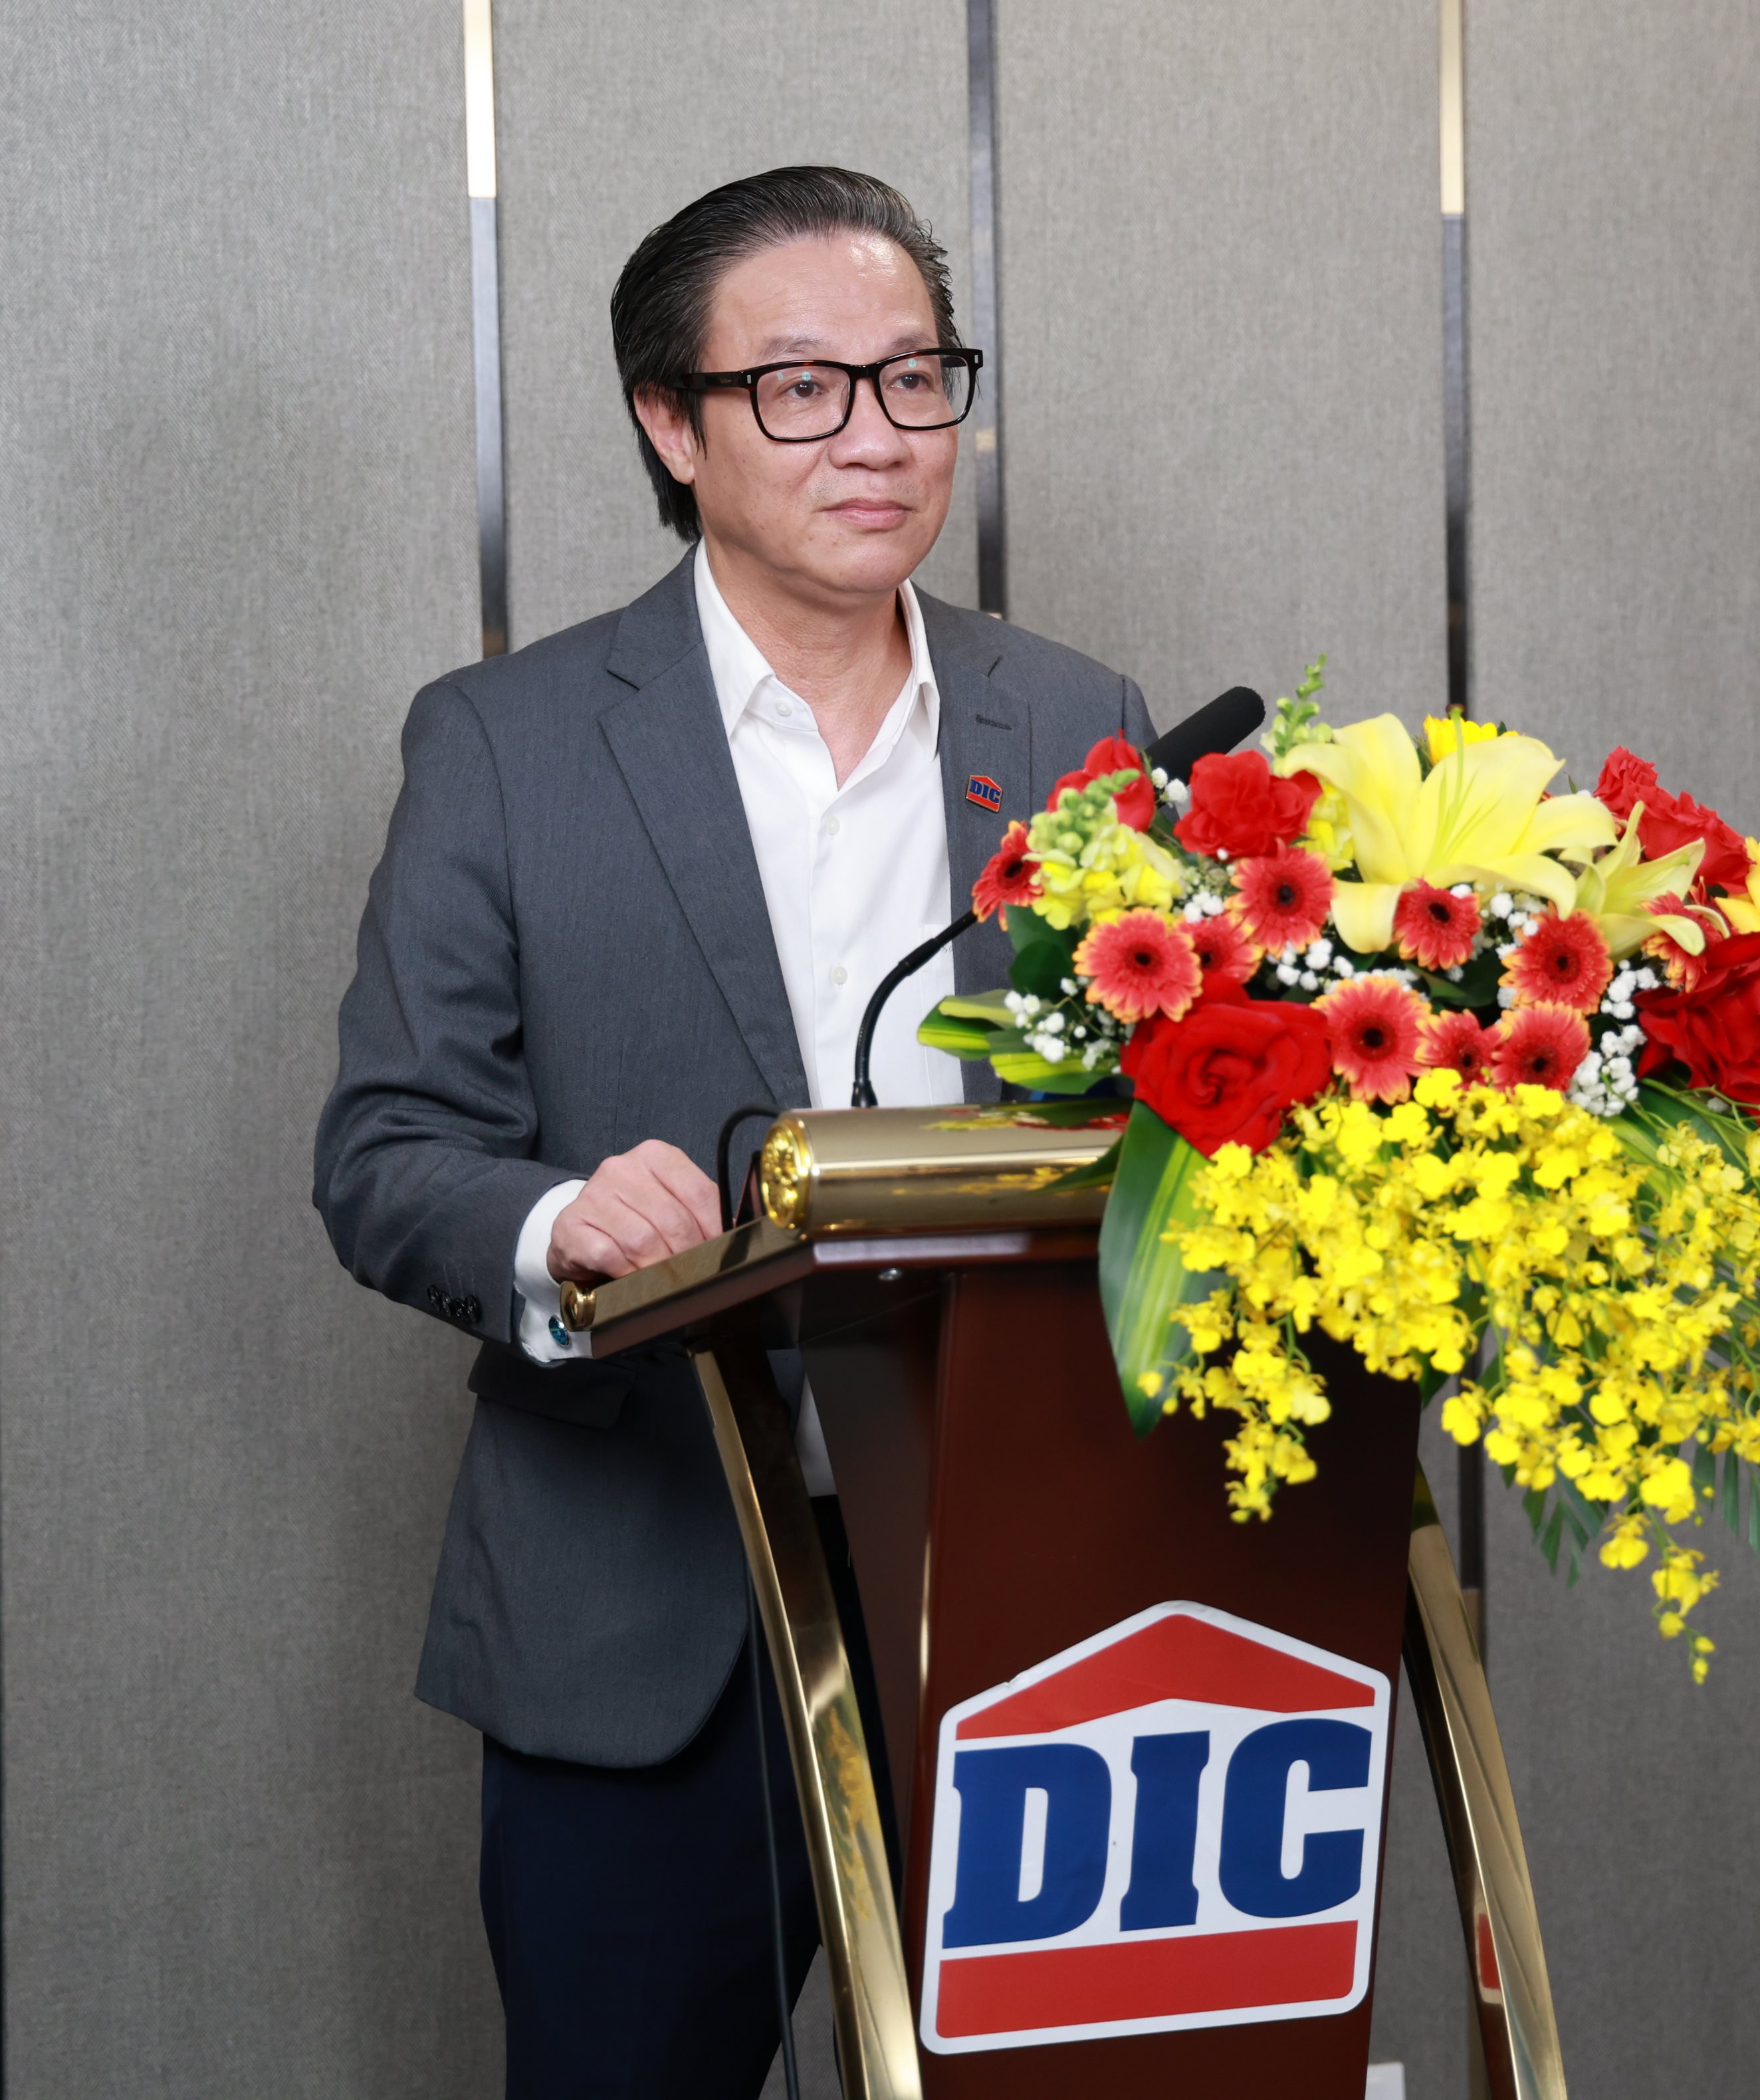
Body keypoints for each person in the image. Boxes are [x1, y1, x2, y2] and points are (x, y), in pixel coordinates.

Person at [312, 166, 1153, 2097]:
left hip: (1019, 1583)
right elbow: (385, 1149)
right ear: (670, 425)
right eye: (800, 388)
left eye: (915, 376)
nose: (877, 436)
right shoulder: (506, 742)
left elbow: (1150, 1112)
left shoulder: (1076, 720)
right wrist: (555, 1224)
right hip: (648, 1592)